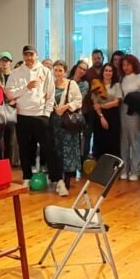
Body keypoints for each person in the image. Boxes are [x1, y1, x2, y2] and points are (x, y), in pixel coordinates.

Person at [6, 46, 65, 195]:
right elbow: (9, 93)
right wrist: (26, 87)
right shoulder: (16, 72)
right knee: (24, 148)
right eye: (26, 55)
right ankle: (26, 177)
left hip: (40, 115)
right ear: (23, 56)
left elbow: (50, 95)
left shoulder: (45, 71)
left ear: (37, 55)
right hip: (22, 115)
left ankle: (58, 180)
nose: (29, 58)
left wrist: (46, 113)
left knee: (49, 148)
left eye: (31, 55)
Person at [51, 61, 83, 192]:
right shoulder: (51, 85)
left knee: (69, 149)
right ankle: (58, 178)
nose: (58, 73)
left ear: (65, 72)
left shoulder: (71, 84)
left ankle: (68, 178)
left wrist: (65, 107)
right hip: (54, 122)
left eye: (60, 70)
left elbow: (78, 100)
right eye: (56, 70)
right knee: (57, 148)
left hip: (68, 122)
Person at [119, 55, 140, 181]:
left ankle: (137, 170)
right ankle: (124, 169)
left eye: (128, 64)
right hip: (122, 109)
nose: (126, 67)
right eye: (124, 65)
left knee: (135, 139)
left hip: (134, 112)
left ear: (134, 65)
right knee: (124, 140)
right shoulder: (122, 79)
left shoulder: (139, 78)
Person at [90, 63, 122, 159]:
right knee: (99, 142)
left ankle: (112, 166)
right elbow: (95, 103)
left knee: (113, 142)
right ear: (103, 72)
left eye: (110, 71)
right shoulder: (96, 84)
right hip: (100, 116)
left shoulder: (116, 85)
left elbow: (117, 102)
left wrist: (102, 105)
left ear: (113, 73)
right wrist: (101, 117)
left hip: (113, 116)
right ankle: (99, 164)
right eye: (106, 70)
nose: (108, 72)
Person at [0, 51, 17, 165]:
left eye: (7, 60)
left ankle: (7, 164)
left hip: (11, 110)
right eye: (2, 60)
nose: (4, 63)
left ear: (10, 62)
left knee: (10, 140)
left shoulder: (15, 75)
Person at [69, 60, 92, 161]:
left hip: (76, 115)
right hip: (63, 114)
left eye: (84, 70)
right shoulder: (67, 79)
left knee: (77, 140)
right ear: (76, 67)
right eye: (80, 68)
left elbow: (79, 99)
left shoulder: (84, 84)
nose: (81, 71)